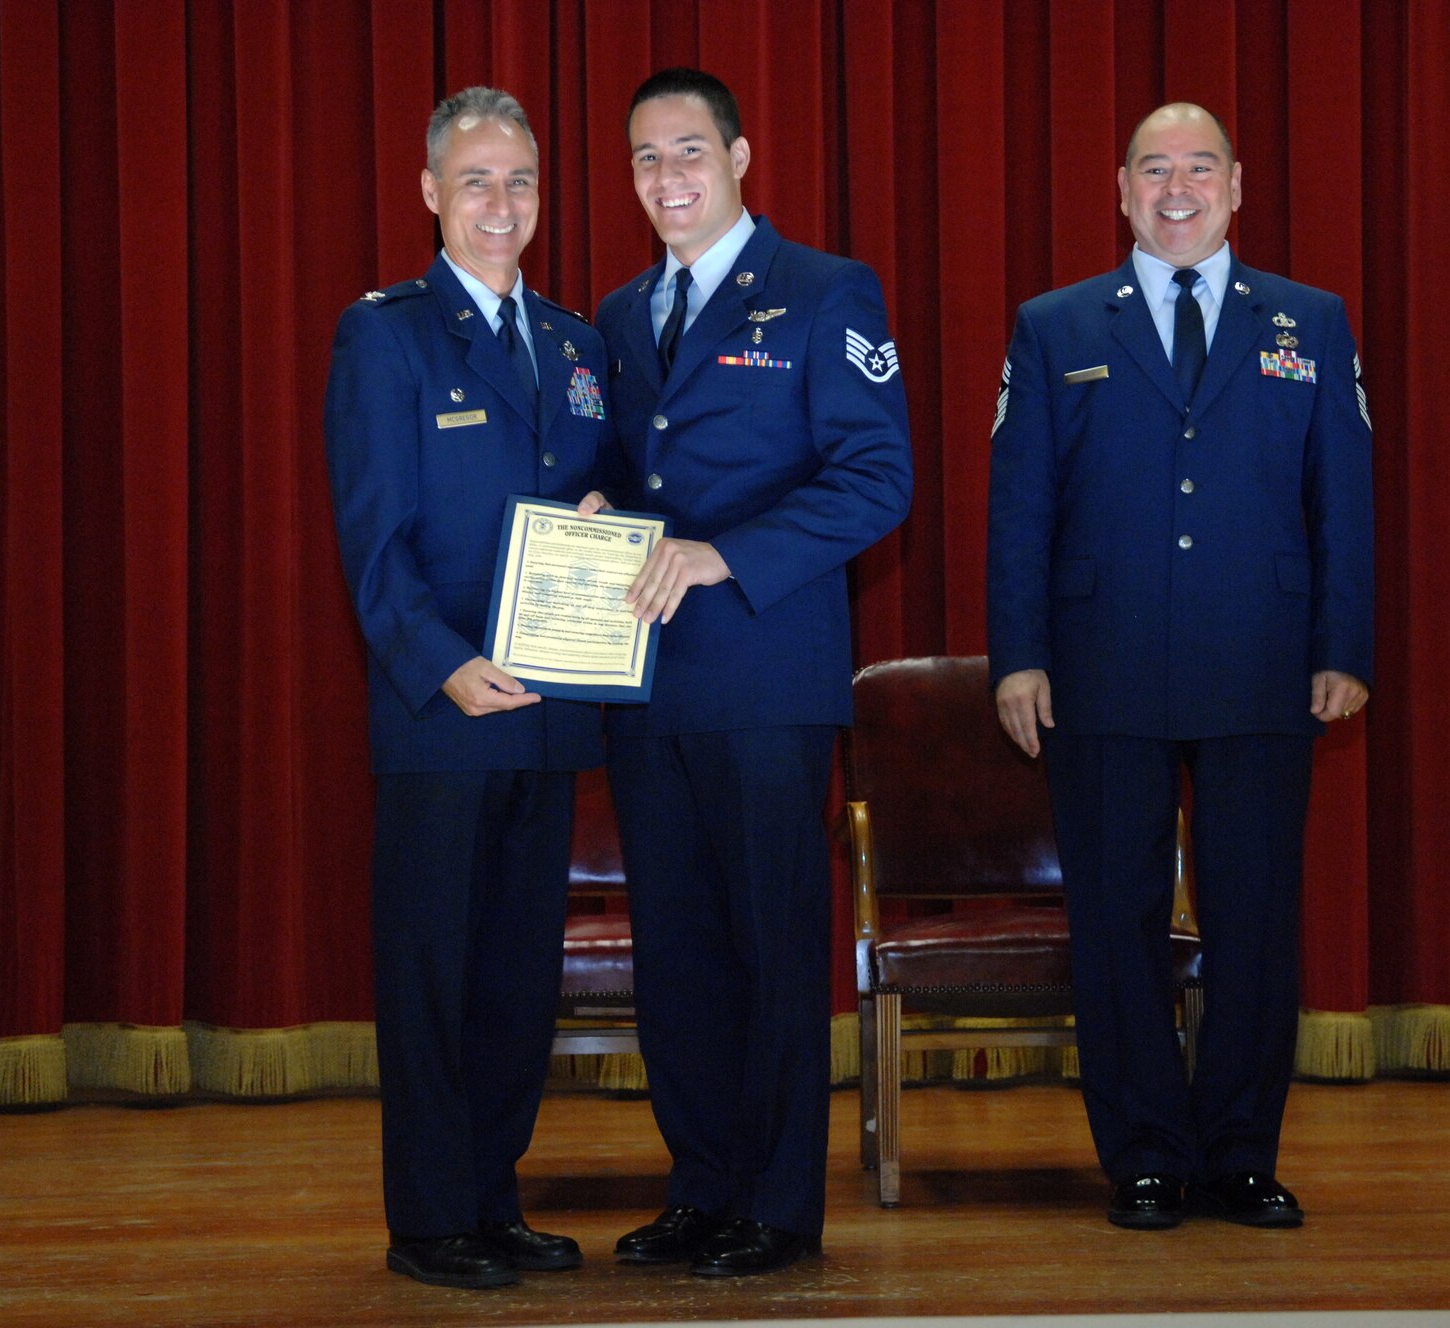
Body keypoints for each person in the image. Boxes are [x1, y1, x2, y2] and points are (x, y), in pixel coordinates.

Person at [986, 102, 1372, 1232]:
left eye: (1197, 167)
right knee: (1115, 922)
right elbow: (1019, 509)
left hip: (1264, 667)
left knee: (1254, 921)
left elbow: (1341, 499)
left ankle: (1241, 1152)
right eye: (1152, 169)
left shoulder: (1310, 320)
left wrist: (1341, 645)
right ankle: (1146, 1152)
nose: (1175, 188)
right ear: (1119, 189)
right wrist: (1017, 656)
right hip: (1101, 668)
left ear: (1236, 184)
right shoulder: (1053, 327)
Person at [575, 67, 912, 1277]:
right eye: (644, 160)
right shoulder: (617, 315)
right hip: (646, 681)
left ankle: (776, 1203)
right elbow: (621, 459)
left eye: (688, 154)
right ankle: (701, 1185)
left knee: (772, 948)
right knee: (677, 951)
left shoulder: (825, 292)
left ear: (739, 156)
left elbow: (878, 478)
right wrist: (595, 499)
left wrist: (727, 555)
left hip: (768, 678)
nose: (667, 179)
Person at [323, 86, 615, 1290]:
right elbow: (373, 535)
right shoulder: (383, 333)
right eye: (478, 181)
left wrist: (615, 525)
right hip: (442, 712)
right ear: (432, 193)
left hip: (546, 715)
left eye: (522, 183)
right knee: (433, 972)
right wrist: (441, 663)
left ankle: (493, 1198)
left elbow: (604, 497)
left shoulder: (576, 343)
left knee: (512, 978)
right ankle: (429, 1217)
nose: (503, 205)